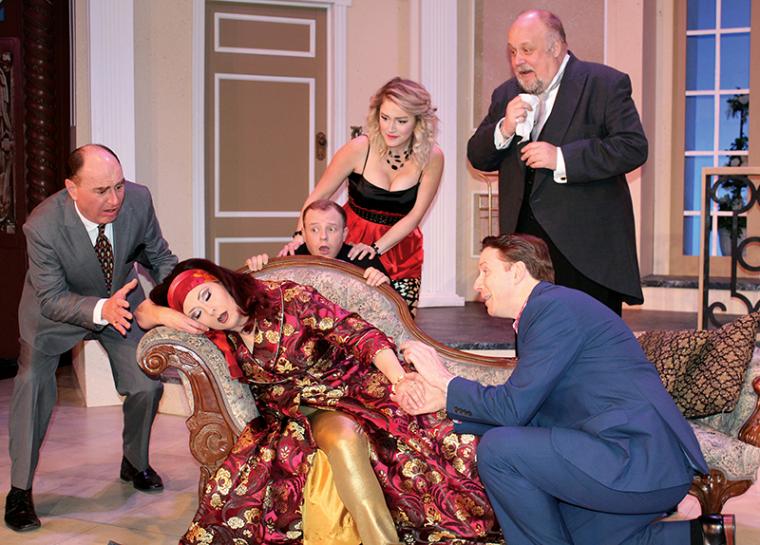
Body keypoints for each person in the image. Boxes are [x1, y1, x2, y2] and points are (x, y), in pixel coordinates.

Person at [396, 234, 734, 545]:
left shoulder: (554, 309)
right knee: (576, 534)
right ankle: (708, 536)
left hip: (635, 457)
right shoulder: (544, 313)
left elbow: (512, 409)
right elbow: (532, 412)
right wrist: (444, 400)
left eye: (485, 271)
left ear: (517, 271)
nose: (477, 284)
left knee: (500, 450)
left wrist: (443, 378)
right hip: (629, 459)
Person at [137, 258, 495, 545]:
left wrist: (399, 379)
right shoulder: (222, 338)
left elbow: (360, 335)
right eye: (196, 314)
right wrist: (164, 314)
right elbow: (142, 312)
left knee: (432, 435)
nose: (210, 311)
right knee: (334, 442)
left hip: (354, 390)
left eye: (207, 295)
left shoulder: (286, 298)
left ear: (221, 280)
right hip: (298, 414)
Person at [3, 144, 200, 532]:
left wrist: (185, 297)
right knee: (31, 386)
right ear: (72, 188)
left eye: (119, 186)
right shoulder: (41, 226)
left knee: (146, 385)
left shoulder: (138, 200)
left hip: (121, 304)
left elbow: (159, 257)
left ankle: (134, 462)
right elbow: (51, 297)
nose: (114, 200)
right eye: (101, 191)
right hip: (54, 313)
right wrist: (99, 309)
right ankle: (19, 490)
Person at [467, 9, 648, 315]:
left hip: (586, 251)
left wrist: (562, 158)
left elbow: (632, 147)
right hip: (525, 252)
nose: (518, 61)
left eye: (527, 50)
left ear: (555, 47)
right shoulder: (505, 94)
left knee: (586, 337)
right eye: (513, 52)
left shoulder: (603, 84)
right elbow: (478, 156)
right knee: (532, 333)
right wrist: (504, 129)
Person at [281, 77, 444, 315]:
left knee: (400, 321)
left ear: (418, 122)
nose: (390, 128)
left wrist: (376, 248)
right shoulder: (359, 148)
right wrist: (299, 236)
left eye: (401, 121)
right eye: (385, 118)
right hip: (353, 244)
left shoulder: (432, 157)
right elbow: (318, 196)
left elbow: (416, 215)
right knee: (347, 319)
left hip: (401, 248)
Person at [246, 199, 391, 288]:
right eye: (314, 230)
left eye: (331, 229)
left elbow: (392, 311)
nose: (323, 237)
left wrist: (382, 285)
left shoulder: (363, 261)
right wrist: (257, 271)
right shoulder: (291, 261)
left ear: (344, 234)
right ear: (303, 234)